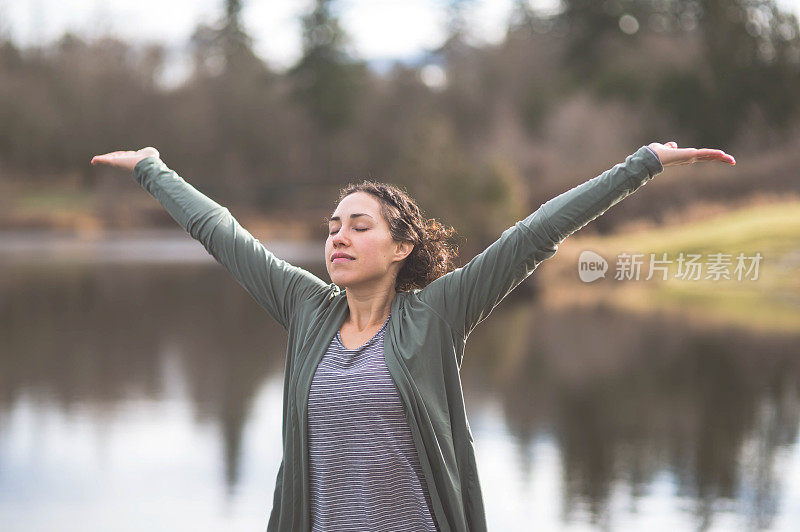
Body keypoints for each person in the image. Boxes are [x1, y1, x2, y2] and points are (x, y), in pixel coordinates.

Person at [90, 142, 735, 531]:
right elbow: (222, 234)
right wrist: (152, 168)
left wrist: (642, 165)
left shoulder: (435, 315)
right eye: (334, 224)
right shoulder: (306, 308)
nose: (338, 236)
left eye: (359, 226)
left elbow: (533, 234)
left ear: (401, 247)